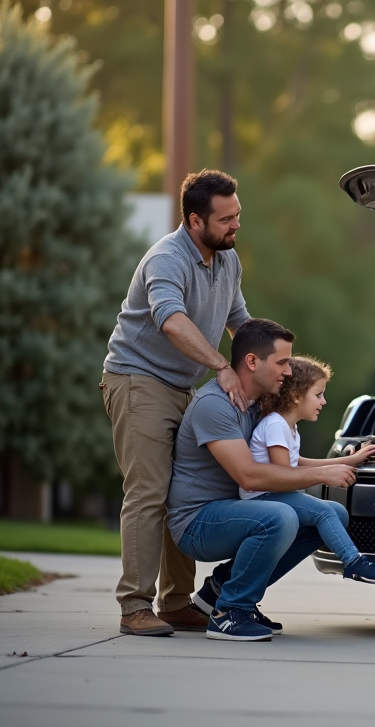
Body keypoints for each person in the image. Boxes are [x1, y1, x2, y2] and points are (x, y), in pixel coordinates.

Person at [101, 170, 250, 636]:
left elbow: (240, 322)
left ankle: (175, 602)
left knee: (183, 492)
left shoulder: (227, 261)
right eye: (226, 219)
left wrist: (276, 363)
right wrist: (222, 368)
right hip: (137, 379)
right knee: (148, 491)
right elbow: (171, 321)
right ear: (193, 220)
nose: (235, 226)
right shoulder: (167, 258)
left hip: (184, 387)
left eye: (237, 216)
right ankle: (134, 607)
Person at [167, 318, 373, 642]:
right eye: (282, 363)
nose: (289, 372)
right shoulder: (215, 405)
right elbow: (249, 477)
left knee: (333, 515)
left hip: (234, 511)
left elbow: (288, 462)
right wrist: (322, 474)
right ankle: (230, 613)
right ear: (252, 361)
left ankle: (221, 589)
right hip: (197, 523)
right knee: (280, 517)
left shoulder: (255, 407)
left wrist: (345, 461)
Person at [237, 355, 375, 589]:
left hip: (273, 493)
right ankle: (353, 561)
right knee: (323, 511)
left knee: (335, 510)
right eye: (318, 394)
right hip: (263, 496)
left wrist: (350, 460)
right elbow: (283, 474)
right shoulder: (276, 425)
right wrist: (325, 475)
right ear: (296, 396)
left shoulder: (288, 427)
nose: (323, 401)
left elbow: (297, 462)